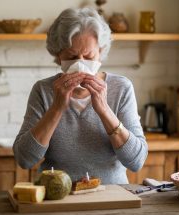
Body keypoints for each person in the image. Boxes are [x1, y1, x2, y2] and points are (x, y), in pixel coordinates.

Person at [13, 7, 148, 184]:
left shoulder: (121, 88)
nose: (81, 63)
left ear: (101, 52)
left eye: (89, 56)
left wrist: (104, 109)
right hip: (58, 196)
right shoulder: (43, 90)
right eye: (72, 56)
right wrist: (57, 108)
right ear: (58, 55)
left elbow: (136, 161)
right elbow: (24, 159)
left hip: (111, 196)